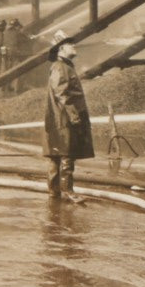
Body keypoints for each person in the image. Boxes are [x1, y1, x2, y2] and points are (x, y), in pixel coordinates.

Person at [42, 29, 94, 202]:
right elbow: (61, 92)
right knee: (66, 155)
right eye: (70, 44)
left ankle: (55, 192)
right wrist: (74, 115)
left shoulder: (62, 66)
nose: (74, 45)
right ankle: (68, 192)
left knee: (57, 156)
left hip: (59, 118)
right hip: (63, 119)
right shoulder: (61, 67)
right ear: (61, 49)